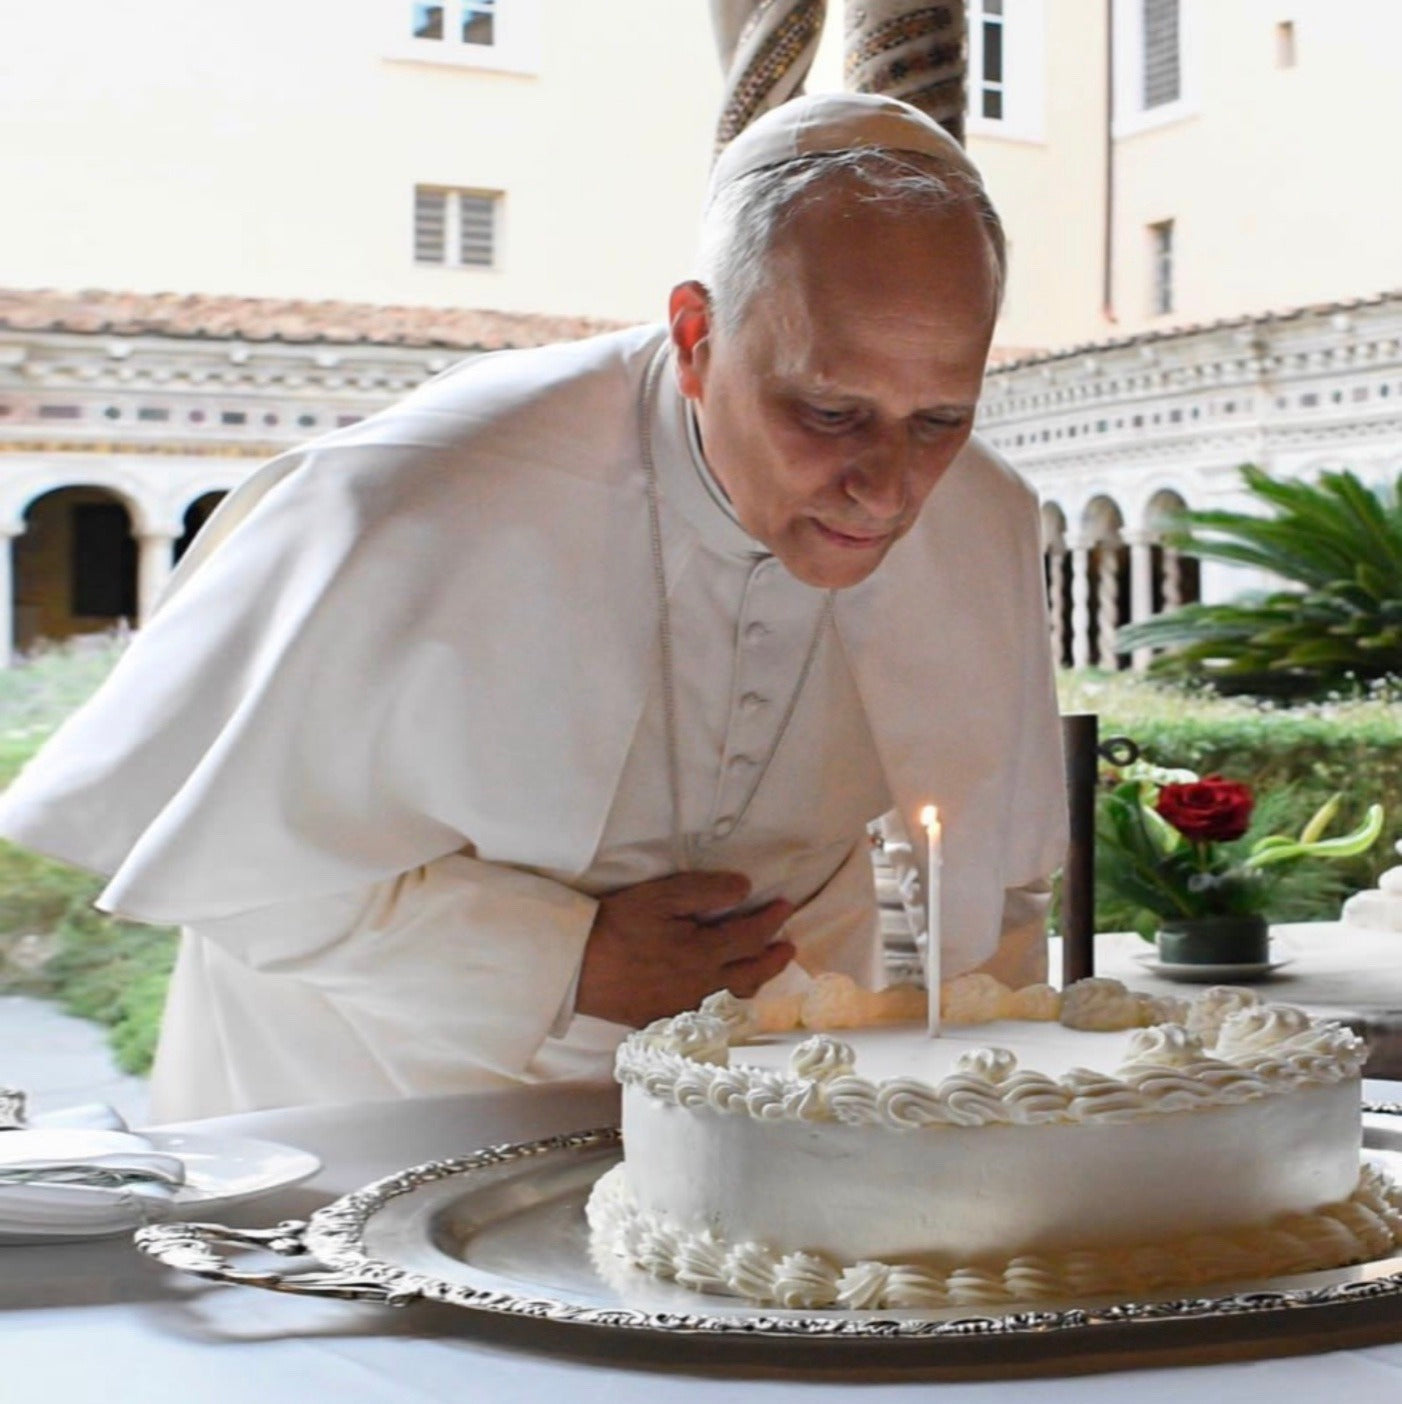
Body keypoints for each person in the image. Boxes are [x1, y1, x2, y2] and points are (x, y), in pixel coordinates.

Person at [0, 93, 1067, 1118]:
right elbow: (228, 871)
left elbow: (995, 897)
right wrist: (560, 962)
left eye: (939, 419)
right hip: (392, 1094)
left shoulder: (984, 518)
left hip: (765, 1100)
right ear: (696, 339)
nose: (887, 491)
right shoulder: (424, 491)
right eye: (829, 412)